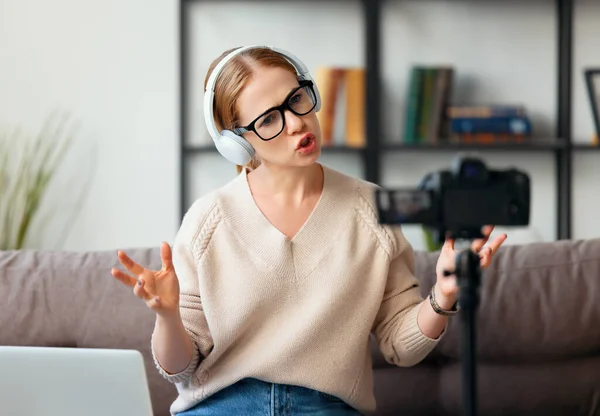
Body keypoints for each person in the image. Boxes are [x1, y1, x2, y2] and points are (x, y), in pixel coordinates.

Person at [111, 45, 507, 416]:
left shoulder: (370, 210)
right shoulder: (207, 221)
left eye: (297, 99)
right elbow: (181, 370)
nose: (297, 122)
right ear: (237, 144)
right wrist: (167, 317)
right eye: (268, 119)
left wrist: (444, 295)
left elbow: (400, 347)